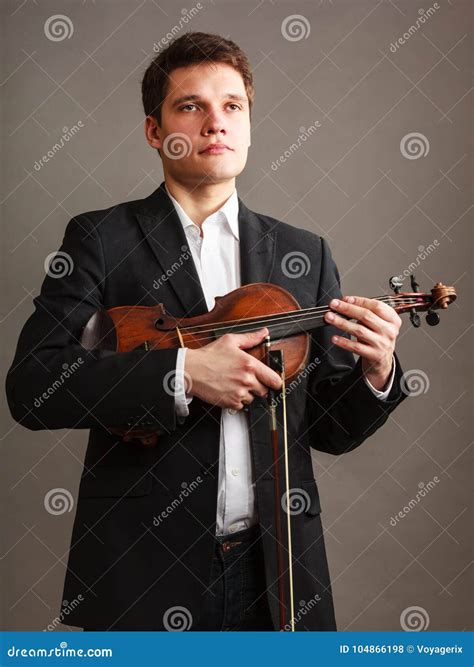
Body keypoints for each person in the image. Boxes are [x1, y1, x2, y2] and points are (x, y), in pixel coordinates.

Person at [5, 32, 408, 631]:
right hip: (142, 565)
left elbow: (326, 429)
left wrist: (376, 374)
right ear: (153, 129)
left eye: (233, 106)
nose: (215, 122)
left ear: (249, 124)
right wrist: (182, 373)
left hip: (278, 574)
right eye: (191, 106)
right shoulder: (101, 239)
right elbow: (33, 386)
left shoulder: (302, 253)